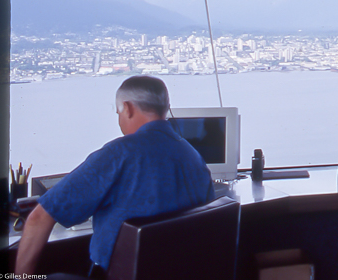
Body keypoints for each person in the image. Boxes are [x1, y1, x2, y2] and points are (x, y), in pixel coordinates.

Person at [15, 76, 215, 278]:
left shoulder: (119, 154)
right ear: (166, 108)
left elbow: (40, 217)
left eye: (118, 112)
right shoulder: (194, 157)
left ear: (127, 108)